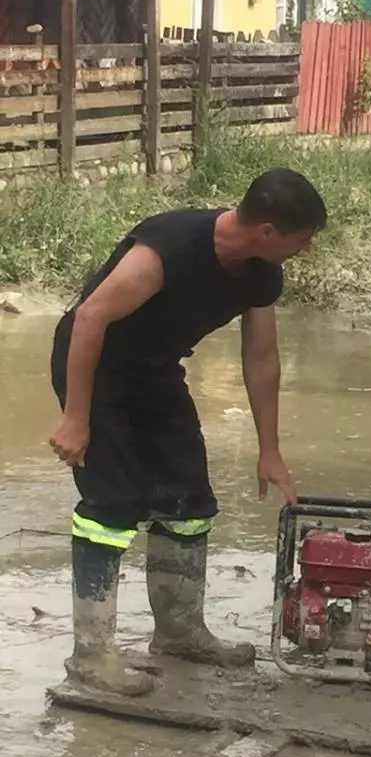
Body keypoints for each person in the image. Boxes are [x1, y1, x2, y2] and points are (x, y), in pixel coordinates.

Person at [49, 167, 327, 697]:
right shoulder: (170, 246)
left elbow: (261, 357)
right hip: (96, 365)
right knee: (112, 506)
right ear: (267, 231)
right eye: (302, 238)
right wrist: (76, 417)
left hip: (156, 370)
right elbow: (89, 319)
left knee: (189, 500)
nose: (307, 249)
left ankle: (178, 632)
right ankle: (90, 657)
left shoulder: (261, 272)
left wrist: (269, 449)